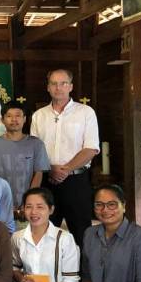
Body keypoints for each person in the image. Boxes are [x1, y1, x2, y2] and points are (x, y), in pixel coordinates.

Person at [30, 69, 99, 246]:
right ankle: (45, 273)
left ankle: (83, 273)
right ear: (48, 87)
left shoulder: (85, 112)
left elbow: (91, 148)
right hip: (47, 180)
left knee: (81, 233)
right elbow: (35, 149)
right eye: (54, 83)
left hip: (76, 180)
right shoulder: (39, 116)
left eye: (63, 83)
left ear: (71, 86)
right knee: (44, 233)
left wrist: (66, 169)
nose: (58, 88)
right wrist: (51, 169)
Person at [0, 101, 50, 224]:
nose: (13, 119)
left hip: (29, 208)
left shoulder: (36, 144)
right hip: (1, 205)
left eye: (18, 115)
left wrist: (28, 203)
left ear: (25, 119)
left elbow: (38, 174)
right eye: (9, 116)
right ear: (3, 119)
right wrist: (3, 203)